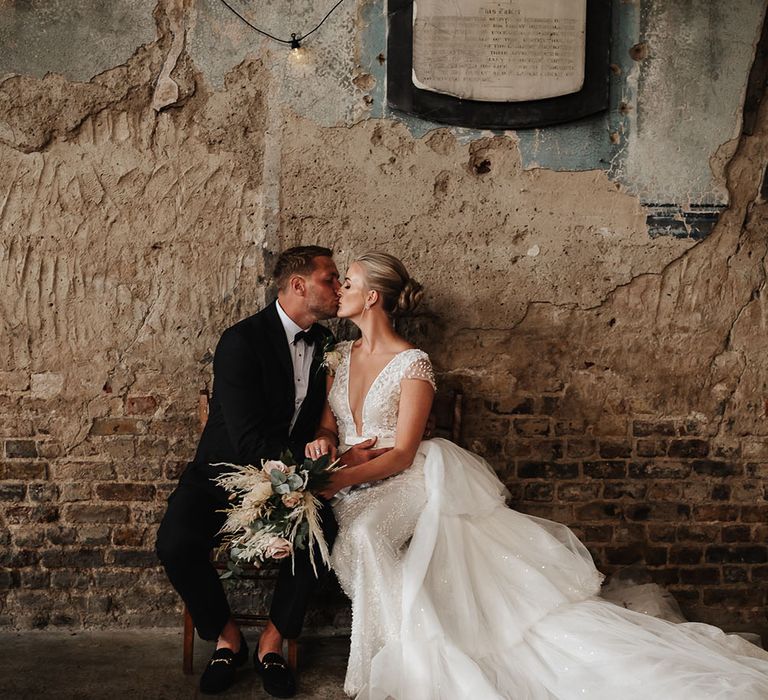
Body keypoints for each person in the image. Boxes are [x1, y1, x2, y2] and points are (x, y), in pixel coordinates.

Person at [304, 252, 768, 699]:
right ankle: (397, 650)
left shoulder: (413, 363)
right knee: (353, 543)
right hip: (348, 478)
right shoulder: (340, 356)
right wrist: (326, 445)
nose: (339, 289)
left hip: (402, 479)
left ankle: (401, 663)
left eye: (348, 281)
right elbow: (329, 424)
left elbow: (404, 453)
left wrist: (339, 480)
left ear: (372, 298)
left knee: (364, 536)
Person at [155, 246, 387, 697]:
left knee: (325, 536)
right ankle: (226, 639)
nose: (338, 287)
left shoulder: (326, 345)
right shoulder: (241, 341)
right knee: (174, 543)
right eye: (330, 279)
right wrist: (317, 469)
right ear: (299, 286)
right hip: (222, 474)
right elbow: (245, 440)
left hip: (294, 481)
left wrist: (334, 449)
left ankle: (272, 644)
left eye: (342, 280)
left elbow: (331, 415)